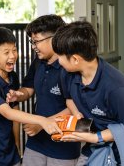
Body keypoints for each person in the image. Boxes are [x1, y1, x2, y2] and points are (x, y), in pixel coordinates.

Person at [52, 21, 124, 166]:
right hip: (96, 144)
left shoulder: (116, 87)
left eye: (60, 56)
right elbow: (69, 99)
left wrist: (96, 137)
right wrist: (77, 115)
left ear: (75, 59)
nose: (58, 60)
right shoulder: (67, 74)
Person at [0, 26, 62, 166]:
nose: (13, 56)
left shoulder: (12, 77)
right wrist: (43, 121)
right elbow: (8, 113)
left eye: (14, 50)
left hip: (11, 155)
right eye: (6, 52)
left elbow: (15, 111)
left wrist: (17, 147)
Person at [7, 15, 81, 166]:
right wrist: (18, 95)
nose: (33, 46)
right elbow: (29, 89)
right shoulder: (38, 62)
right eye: (31, 42)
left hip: (63, 144)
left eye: (36, 41)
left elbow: (74, 107)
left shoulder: (69, 67)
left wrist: (42, 124)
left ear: (54, 38)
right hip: (36, 142)